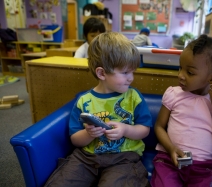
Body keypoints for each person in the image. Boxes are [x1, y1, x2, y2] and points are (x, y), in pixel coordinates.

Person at [44, 32, 153, 187]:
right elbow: (75, 139)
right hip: (86, 158)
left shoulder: (133, 97)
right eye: (125, 72)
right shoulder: (84, 101)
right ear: (102, 73)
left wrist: (125, 129)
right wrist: (88, 134)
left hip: (124, 158)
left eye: (132, 72)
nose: (131, 78)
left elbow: (144, 129)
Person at [150, 34, 212, 187]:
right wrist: (171, 148)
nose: (180, 75)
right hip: (169, 161)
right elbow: (159, 127)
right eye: (180, 68)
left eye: (190, 72)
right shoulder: (173, 94)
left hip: (204, 169)